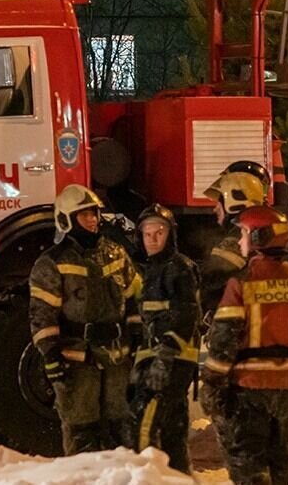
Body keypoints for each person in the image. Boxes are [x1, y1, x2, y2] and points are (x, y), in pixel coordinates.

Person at [201, 206, 288, 485]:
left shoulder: (242, 283)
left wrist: (211, 384)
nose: (239, 241)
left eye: (244, 233)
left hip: (249, 389)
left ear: (260, 237)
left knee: (250, 468)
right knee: (285, 466)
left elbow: (224, 342)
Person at [29, 184, 142, 455]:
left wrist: (138, 336)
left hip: (117, 359)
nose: (92, 220)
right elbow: (42, 314)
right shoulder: (52, 263)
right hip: (76, 361)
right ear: (66, 219)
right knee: (82, 430)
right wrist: (51, 356)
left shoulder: (116, 253)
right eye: (84, 215)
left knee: (123, 429)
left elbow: (135, 297)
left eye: (94, 214)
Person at [131, 204, 201, 473]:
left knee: (144, 423)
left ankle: (145, 477)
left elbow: (186, 314)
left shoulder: (179, 268)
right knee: (173, 428)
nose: (152, 238)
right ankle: (178, 476)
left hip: (172, 358)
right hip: (156, 356)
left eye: (159, 232)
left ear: (170, 234)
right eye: (147, 232)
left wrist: (164, 357)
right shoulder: (149, 270)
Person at [200, 170, 267, 318]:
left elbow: (210, 276)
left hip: (233, 319)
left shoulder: (238, 237)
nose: (215, 208)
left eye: (219, 203)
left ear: (234, 204)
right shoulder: (257, 232)